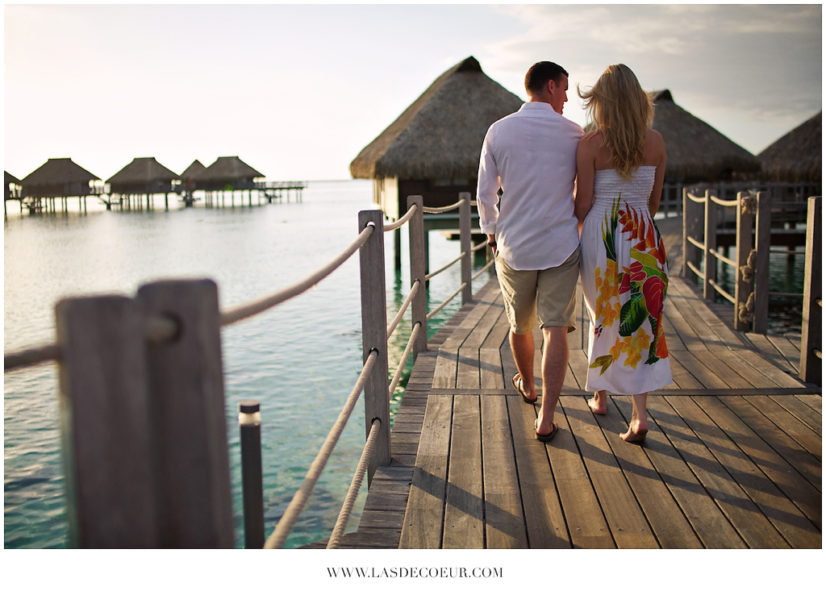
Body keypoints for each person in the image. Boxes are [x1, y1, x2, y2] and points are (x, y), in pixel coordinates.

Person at [477, 61, 583, 442]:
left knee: (519, 326)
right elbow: (582, 189)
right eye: (566, 89)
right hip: (560, 244)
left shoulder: (498, 131)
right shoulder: (574, 134)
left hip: (515, 246)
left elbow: (485, 193)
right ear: (551, 86)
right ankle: (547, 417)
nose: (568, 97)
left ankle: (529, 387)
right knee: (556, 329)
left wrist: (491, 232)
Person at [574, 63, 672, 443]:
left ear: (604, 103)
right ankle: (639, 416)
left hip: (603, 234)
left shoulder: (591, 144)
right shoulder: (657, 142)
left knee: (602, 315)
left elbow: (582, 204)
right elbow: (654, 201)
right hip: (645, 235)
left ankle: (600, 396)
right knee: (643, 322)